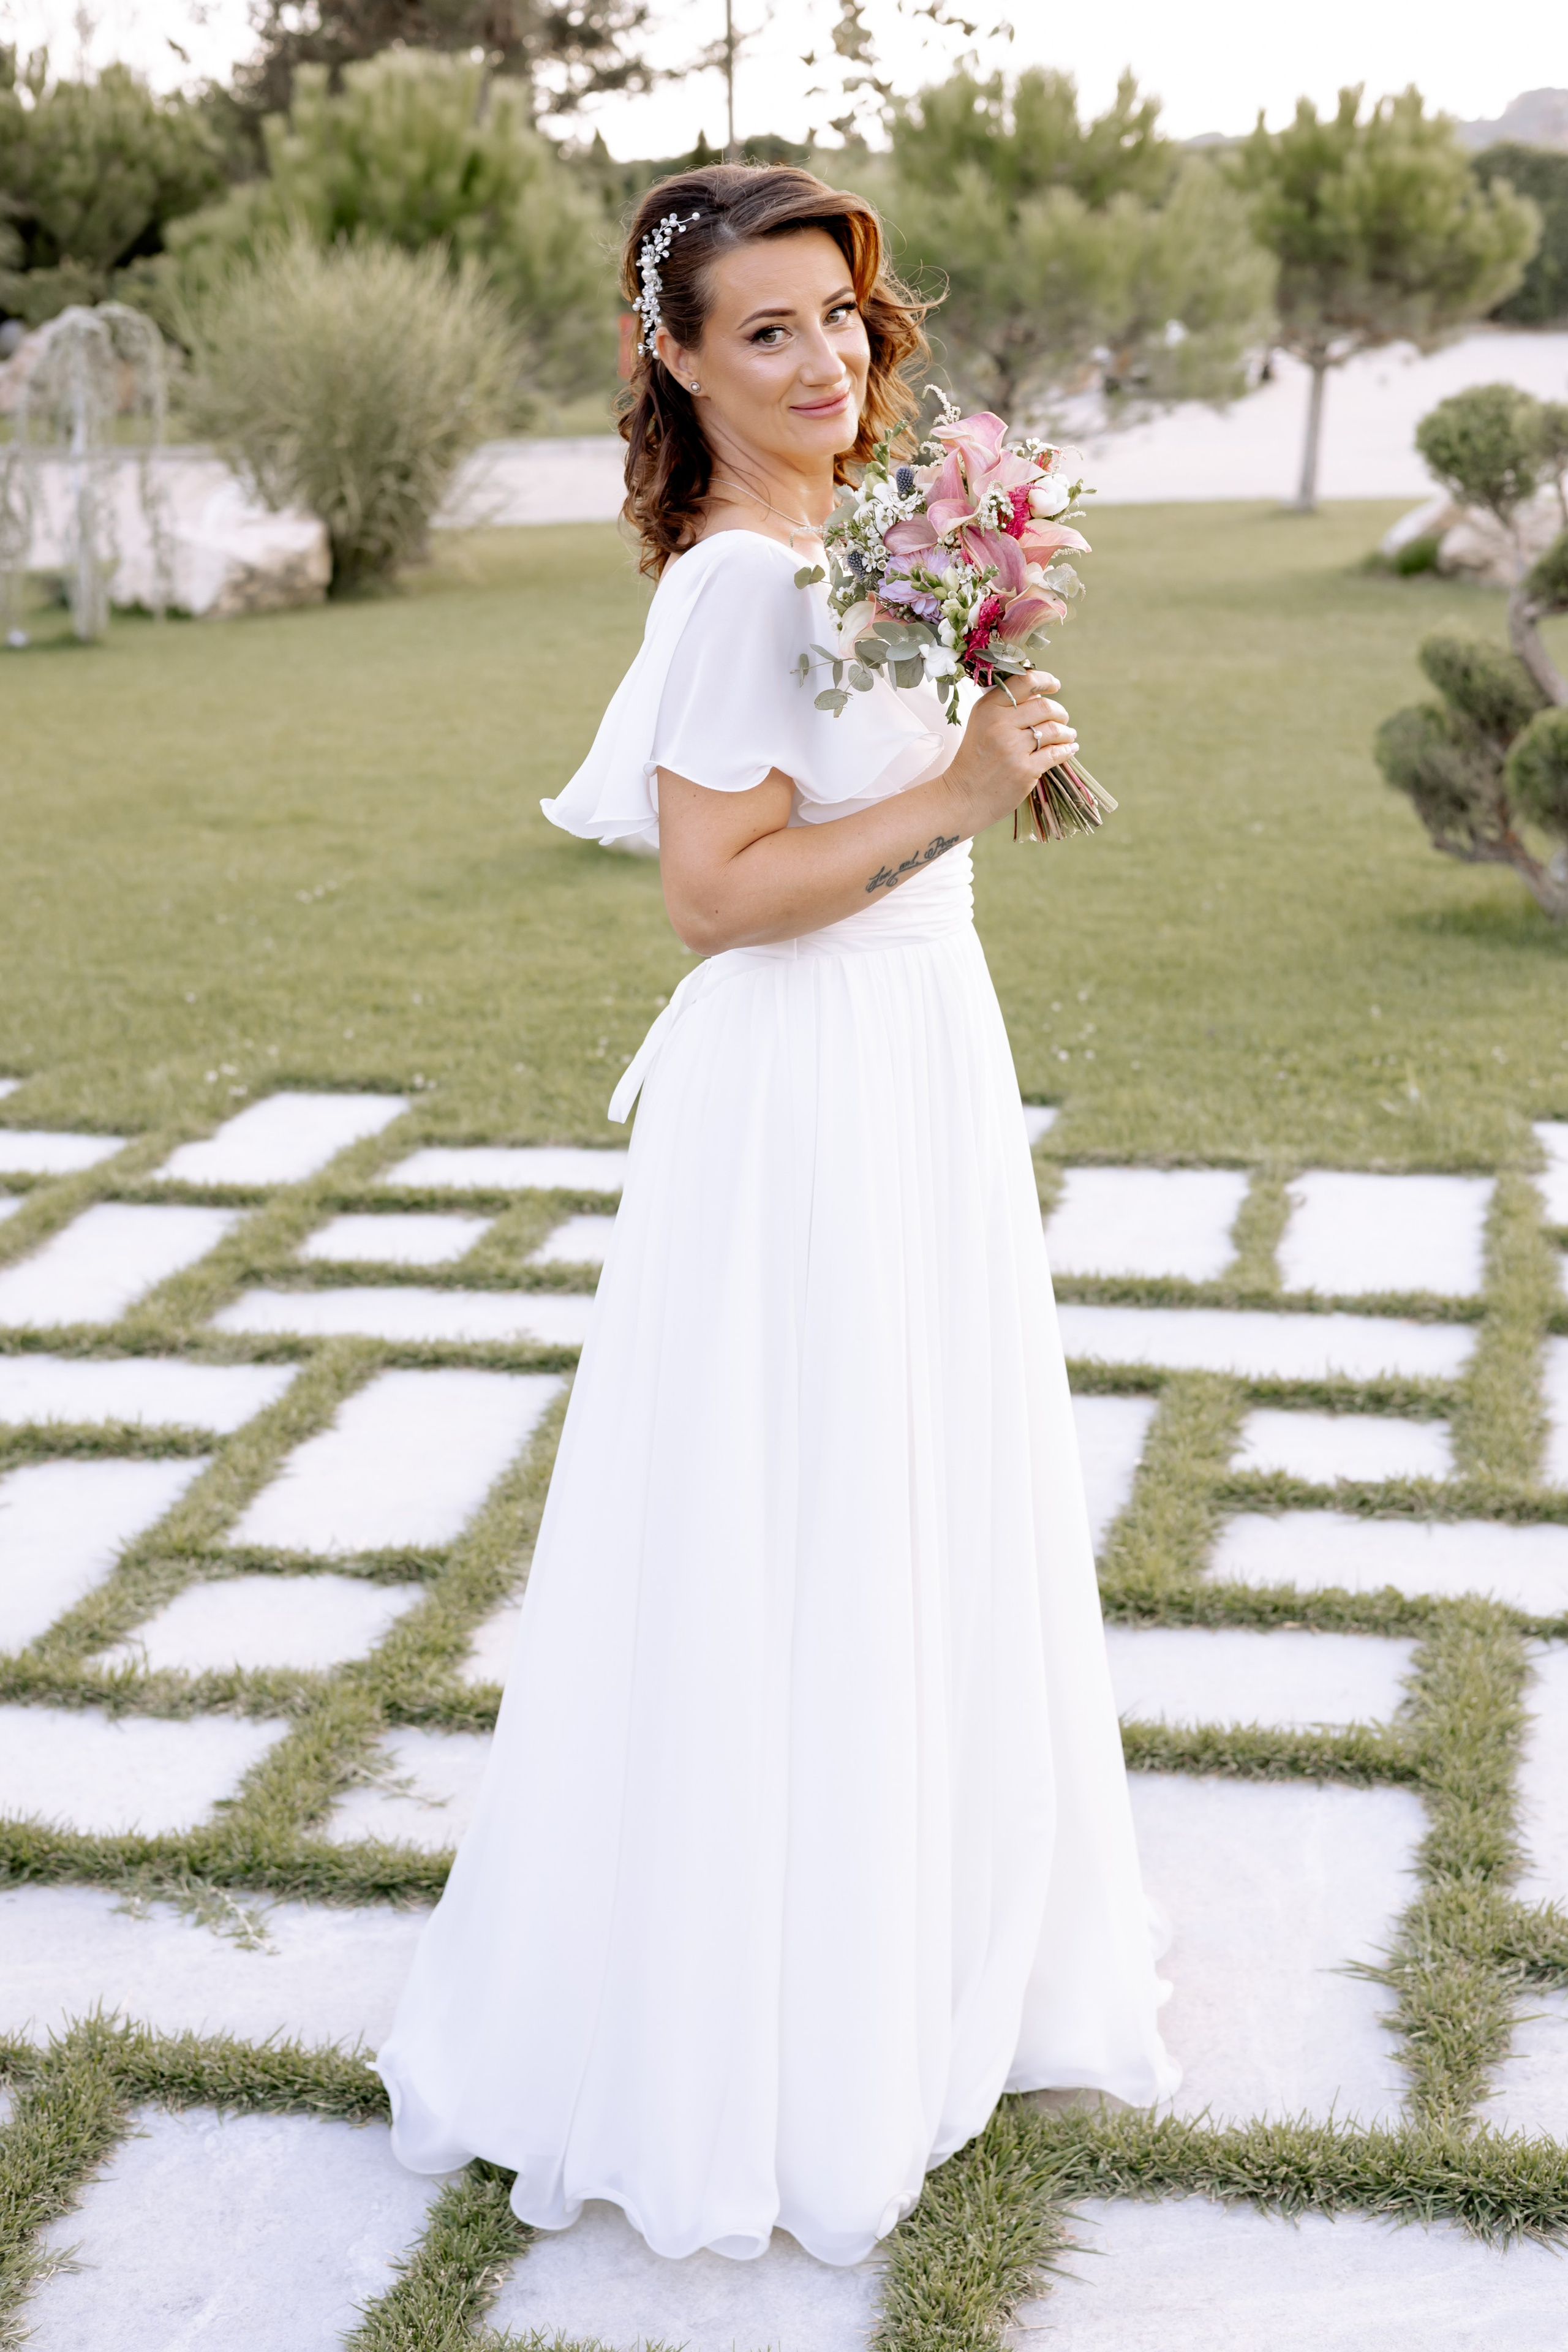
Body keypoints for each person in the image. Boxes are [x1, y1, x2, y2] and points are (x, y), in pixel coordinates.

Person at [377, 160, 1178, 2270]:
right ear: (676, 358)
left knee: (912, 1494)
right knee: (803, 1503)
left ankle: (917, 1946)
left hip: (916, 1052)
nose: (823, 360)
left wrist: (978, 744)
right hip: (811, 1076)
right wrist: (955, 796)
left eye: (837, 314)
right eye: (764, 333)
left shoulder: (855, 533)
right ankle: (763, 2021)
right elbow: (714, 895)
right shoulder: (737, 580)